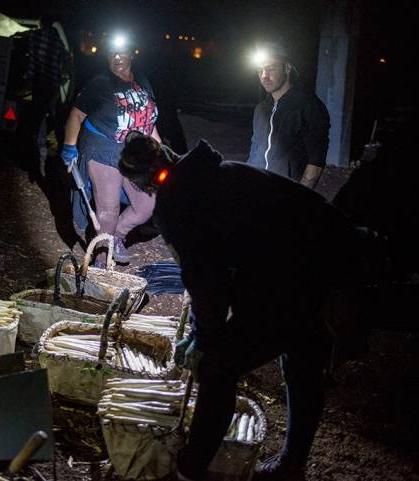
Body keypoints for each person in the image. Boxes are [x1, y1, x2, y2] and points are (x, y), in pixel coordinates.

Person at [120, 133, 360, 481]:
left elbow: (208, 284)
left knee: (218, 366)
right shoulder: (223, 170)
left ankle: (190, 470)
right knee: (302, 356)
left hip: (296, 276)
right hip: (324, 259)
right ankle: (292, 465)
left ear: (142, 183)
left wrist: (202, 339)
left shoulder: (176, 204)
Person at [61, 33, 161, 266]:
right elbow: (75, 115)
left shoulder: (143, 80)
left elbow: (147, 121)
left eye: (121, 53)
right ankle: (101, 262)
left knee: (147, 204)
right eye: (111, 54)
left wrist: (161, 152)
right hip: (103, 150)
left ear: (131, 54)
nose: (116, 57)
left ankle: (116, 237)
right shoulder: (99, 84)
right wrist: (69, 146)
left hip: (132, 154)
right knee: (108, 211)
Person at [247, 43, 330, 189]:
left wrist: (300, 197)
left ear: (287, 68)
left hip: (285, 193)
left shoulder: (308, 105)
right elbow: (255, 149)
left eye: (271, 69)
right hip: (257, 189)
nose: (264, 76)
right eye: (260, 71)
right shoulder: (261, 109)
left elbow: (316, 162)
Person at [26, 17, 70, 177]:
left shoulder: (34, 36)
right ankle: (60, 154)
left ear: (40, 23)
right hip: (53, 85)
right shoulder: (57, 41)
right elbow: (66, 58)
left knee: (37, 117)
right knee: (55, 117)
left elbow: (30, 58)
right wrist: (62, 75)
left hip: (39, 83)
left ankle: (36, 154)